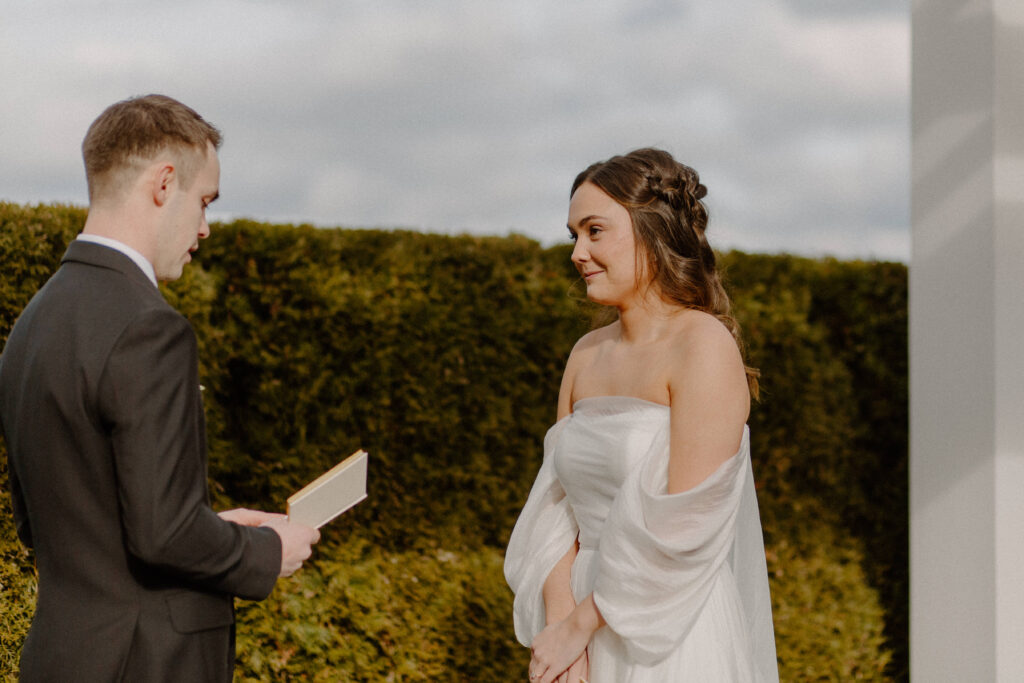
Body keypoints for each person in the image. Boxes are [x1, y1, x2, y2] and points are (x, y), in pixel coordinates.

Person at [0, 94, 321, 682]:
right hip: (145, 662)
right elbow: (164, 532)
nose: (204, 227)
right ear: (164, 182)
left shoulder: (33, 324)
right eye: (204, 202)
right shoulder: (151, 326)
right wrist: (267, 551)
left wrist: (215, 529)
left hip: (59, 659)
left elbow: (51, 520)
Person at [504, 148, 778, 682]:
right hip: (576, 624)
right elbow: (552, 513)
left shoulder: (703, 345)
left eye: (595, 231)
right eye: (573, 235)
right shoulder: (584, 354)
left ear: (651, 231)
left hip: (669, 629)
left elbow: (686, 522)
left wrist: (585, 623)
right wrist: (562, 631)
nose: (578, 252)